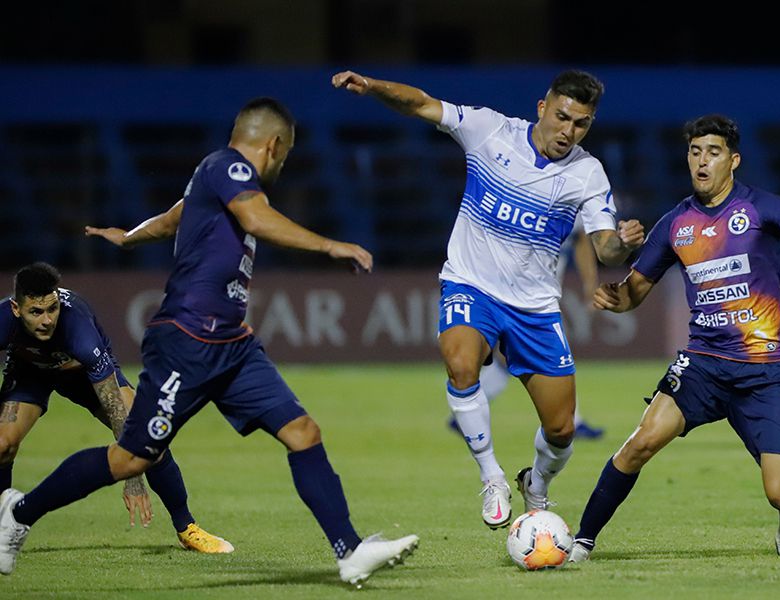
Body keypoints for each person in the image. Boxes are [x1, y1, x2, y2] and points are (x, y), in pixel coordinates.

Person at [0, 97, 418, 587]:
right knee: (133, 457)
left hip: (232, 345)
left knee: (303, 431)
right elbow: (258, 220)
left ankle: (348, 552)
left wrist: (129, 237)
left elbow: (174, 218)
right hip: (187, 339)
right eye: (285, 155)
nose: (282, 164)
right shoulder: (229, 166)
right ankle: (20, 511)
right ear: (275, 145)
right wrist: (333, 245)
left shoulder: (210, 178)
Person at [568, 114, 780, 562]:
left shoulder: (763, 207)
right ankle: (581, 541)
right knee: (640, 442)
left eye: (713, 152)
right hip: (704, 363)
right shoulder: (675, 224)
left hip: (767, 370)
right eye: (695, 152)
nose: (702, 161)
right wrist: (613, 296)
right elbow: (633, 295)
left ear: (733, 160)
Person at [332, 69, 644, 529]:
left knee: (561, 430)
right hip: (470, 284)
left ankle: (535, 484)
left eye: (581, 123)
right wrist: (375, 88)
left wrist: (625, 242)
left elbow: (604, 247)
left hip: (535, 307)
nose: (568, 131)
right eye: (562, 117)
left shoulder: (587, 172)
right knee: (460, 361)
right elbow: (421, 103)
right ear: (543, 107)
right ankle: (492, 475)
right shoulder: (489, 129)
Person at [0, 262, 233, 553]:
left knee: (149, 440)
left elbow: (115, 409)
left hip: (82, 375)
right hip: (30, 372)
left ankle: (188, 528)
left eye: (53, 309)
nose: (47, 320)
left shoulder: (79, 330)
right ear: (16, 309)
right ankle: (5, 524)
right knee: (3, 444)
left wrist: (132, 476)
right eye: (36, 312)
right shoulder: (2, 320)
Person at [448, 225, 606, 440]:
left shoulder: (576, 195)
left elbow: (580, 238)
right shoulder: (528, 196)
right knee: (553, 355)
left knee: (515, 356)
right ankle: (572, 421)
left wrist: (590, 285)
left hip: (542, 294)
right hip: (516, 291)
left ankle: (467, 411)